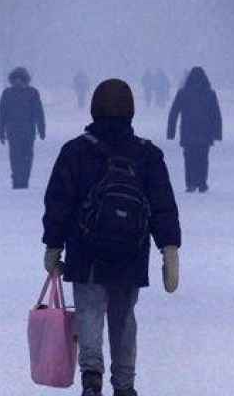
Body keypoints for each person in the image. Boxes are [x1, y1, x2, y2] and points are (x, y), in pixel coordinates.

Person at [42, 79, 181, 396]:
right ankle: (125, 383)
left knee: (89, 311)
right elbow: (163, 205)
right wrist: (169, 249)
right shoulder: (147, 155)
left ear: (94, 108)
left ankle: (92, 376)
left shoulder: (76, 152)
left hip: (87, 251)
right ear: (131, 110)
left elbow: (58, 203)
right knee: (123, 316)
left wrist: (53, 244)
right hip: (130, 253)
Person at [167, 66, 223, 193]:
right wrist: (217, 133)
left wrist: (171, 132)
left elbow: (174, 112)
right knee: (203, 158)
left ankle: (190, 183)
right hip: (205, 132)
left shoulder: (183, 93)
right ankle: (202, 183)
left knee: (189, 158)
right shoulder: (210, 93)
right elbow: (216, 115)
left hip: (188, 132)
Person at [0, 66, 46, 189]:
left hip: (28, 131)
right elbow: (2, 113)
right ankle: (16, 178)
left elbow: (38, 112)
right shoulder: (7, 93)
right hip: (12, 131)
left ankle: (24, 178)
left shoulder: (32, 92)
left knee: (27, 156)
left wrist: (41, 129)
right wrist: (1, 131)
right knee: (15, 156)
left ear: (25, 80)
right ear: (12, 80)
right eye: (15, 79)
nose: (18, 81)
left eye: (21, 79)